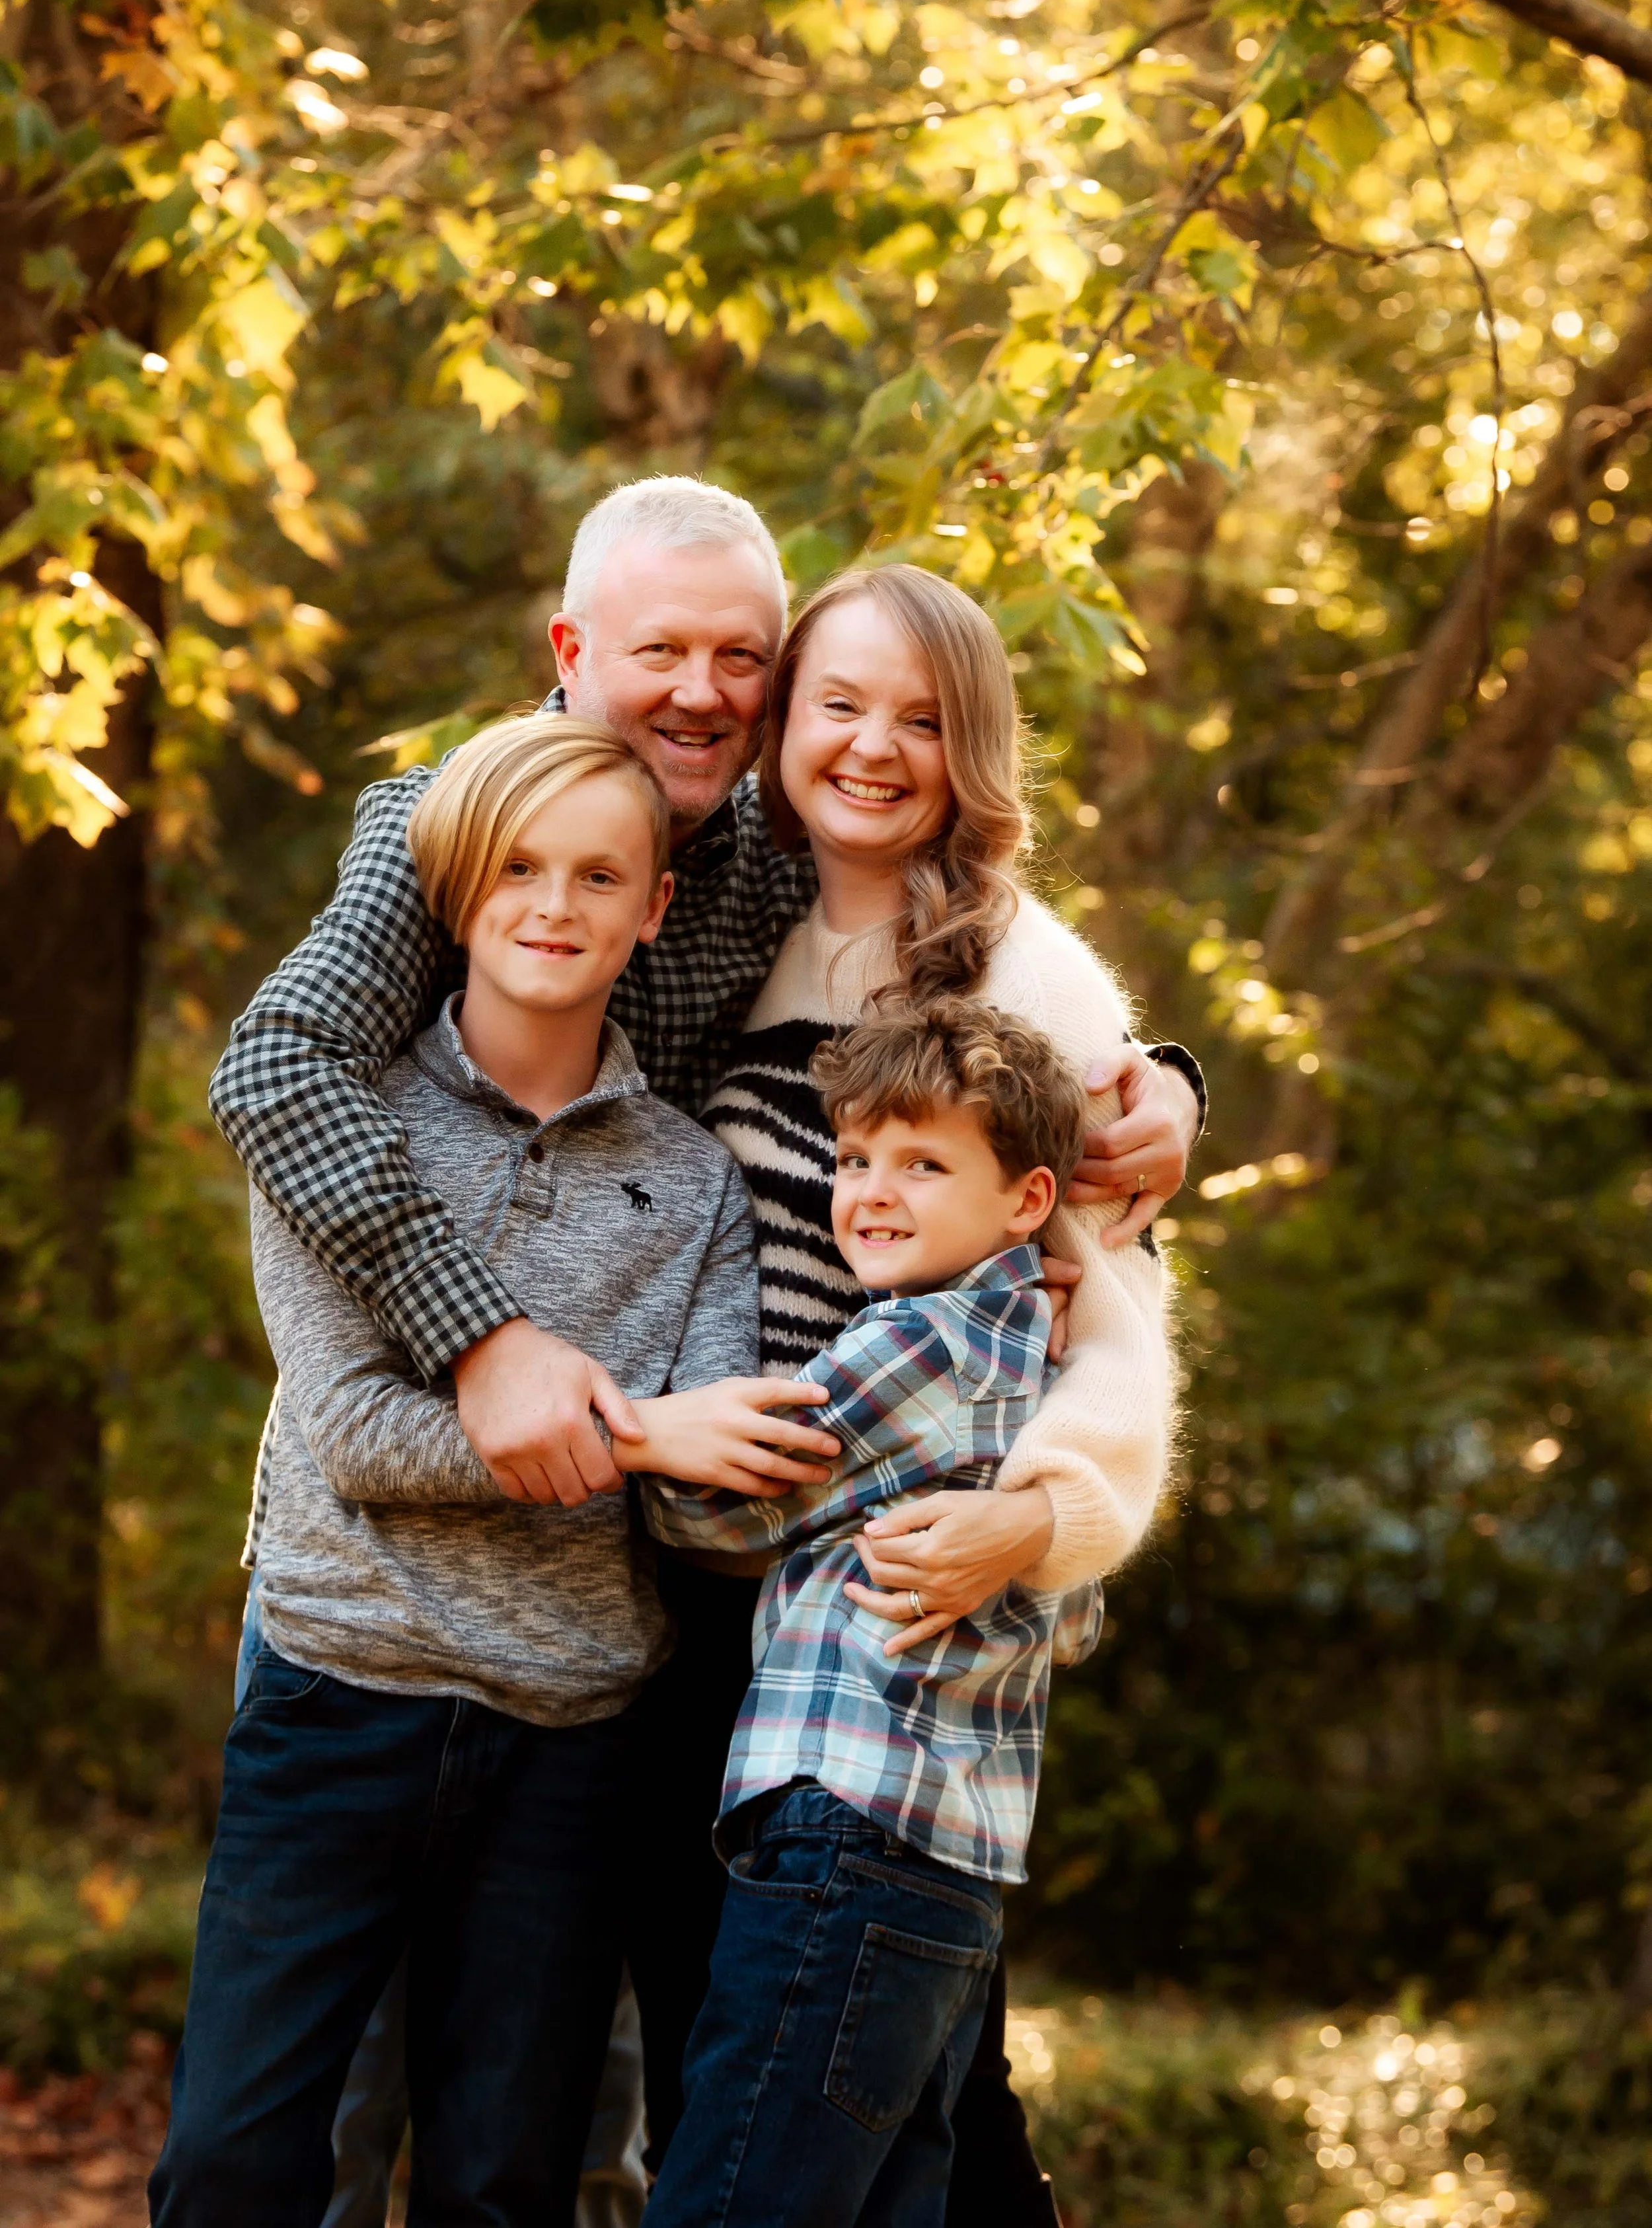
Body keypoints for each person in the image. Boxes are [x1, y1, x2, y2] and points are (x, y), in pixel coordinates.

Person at [206, 478, 1203, 2210]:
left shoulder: (798, 883)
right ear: (568, 648)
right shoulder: (445, 829)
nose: (699, 689)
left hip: (762, 1618)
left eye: (737, 657)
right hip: (415, 1596)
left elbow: (1082, 1241)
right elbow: (276, 1070)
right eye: (657, 648)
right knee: (306, 2130)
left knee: (735, 2113)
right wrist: (486, 1337)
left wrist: (1167, 1092)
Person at [153, 717, 833, 2228]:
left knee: (503, 2186)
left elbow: (706, 1490)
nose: (553, 905)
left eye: (599, 875)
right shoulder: (350, 1133)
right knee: (231, 2166)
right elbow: (364, 1442)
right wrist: (647, 1427)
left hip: (569, 1738)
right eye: (517, 869)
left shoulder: (696, 1176)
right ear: (453, 892)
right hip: (338, 1703)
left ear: (652, 910)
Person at [695, 560, 1178, 2223]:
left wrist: (1039, 1522)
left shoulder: (1026, 977)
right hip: (738, 1616)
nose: (874, 746)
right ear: (778, 725)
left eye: (921, 717)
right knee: (878, 2134)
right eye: (837, 702)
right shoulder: (715, 927)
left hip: (900, 1641)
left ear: (973, 750)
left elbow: (1113, 1309)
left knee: (869, 2116)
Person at [638, 999, 1168, 2227]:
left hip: (844, 1830)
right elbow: (1072, 1612)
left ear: (1029, 1200)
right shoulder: (1037, 1361)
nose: (873, 1192)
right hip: (952, 1865)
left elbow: (720, 1510)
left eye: (925, 1164)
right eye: (856, 1157)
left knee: (730, 2193)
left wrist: (638, 1438)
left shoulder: (915, 1345)